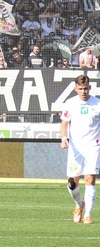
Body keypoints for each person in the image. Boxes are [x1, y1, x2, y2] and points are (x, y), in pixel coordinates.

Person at [60, 74, 100, 224]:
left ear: (90, 87)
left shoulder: (97, 103)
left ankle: (88, 215)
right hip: (76, 148)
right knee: (72, 183)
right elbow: (64, 124)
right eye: (81, 89)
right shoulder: (70, 104)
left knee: (90, 178)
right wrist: (64, 139)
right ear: (75, 88)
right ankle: (79, 205)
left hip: (93, 146)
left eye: (86, 88)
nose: (84, 91)